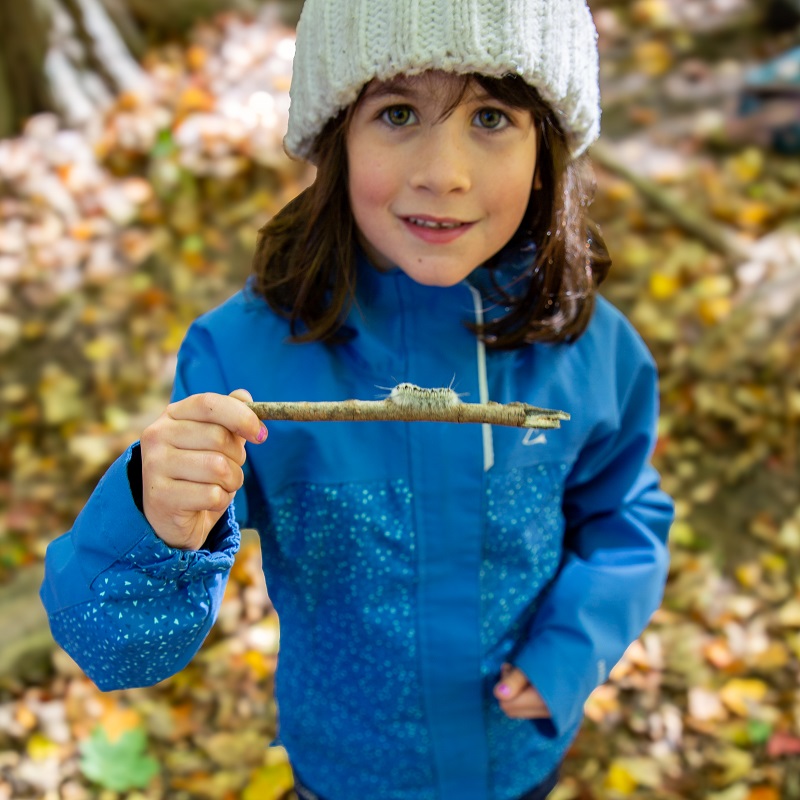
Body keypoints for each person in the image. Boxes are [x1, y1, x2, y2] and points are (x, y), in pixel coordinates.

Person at [41, 0, 674, 798]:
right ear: (335, 138)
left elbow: (625, 518)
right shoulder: (243, 358)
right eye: (399, 112)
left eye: (491, 117)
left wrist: (571, 649)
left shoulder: (588, 347)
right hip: (343, 775)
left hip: (521, 762)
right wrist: (153, 515)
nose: (443, 171)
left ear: (546, 152)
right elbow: (119, 650)